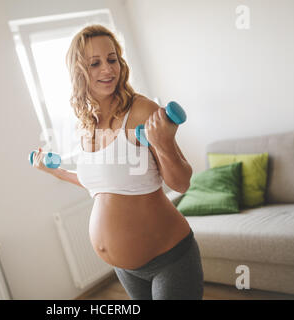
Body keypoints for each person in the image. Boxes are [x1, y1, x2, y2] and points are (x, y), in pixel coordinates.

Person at [32, 24, 203, 300]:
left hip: (169, 259)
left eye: (112, 60)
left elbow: (181, 183)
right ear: (79, 72)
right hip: (124, 268)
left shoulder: (140, 110)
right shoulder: (84, 124)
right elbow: (102, 187)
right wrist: (58, 173)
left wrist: (164, 142)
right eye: (95, 63)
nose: (108, 70)